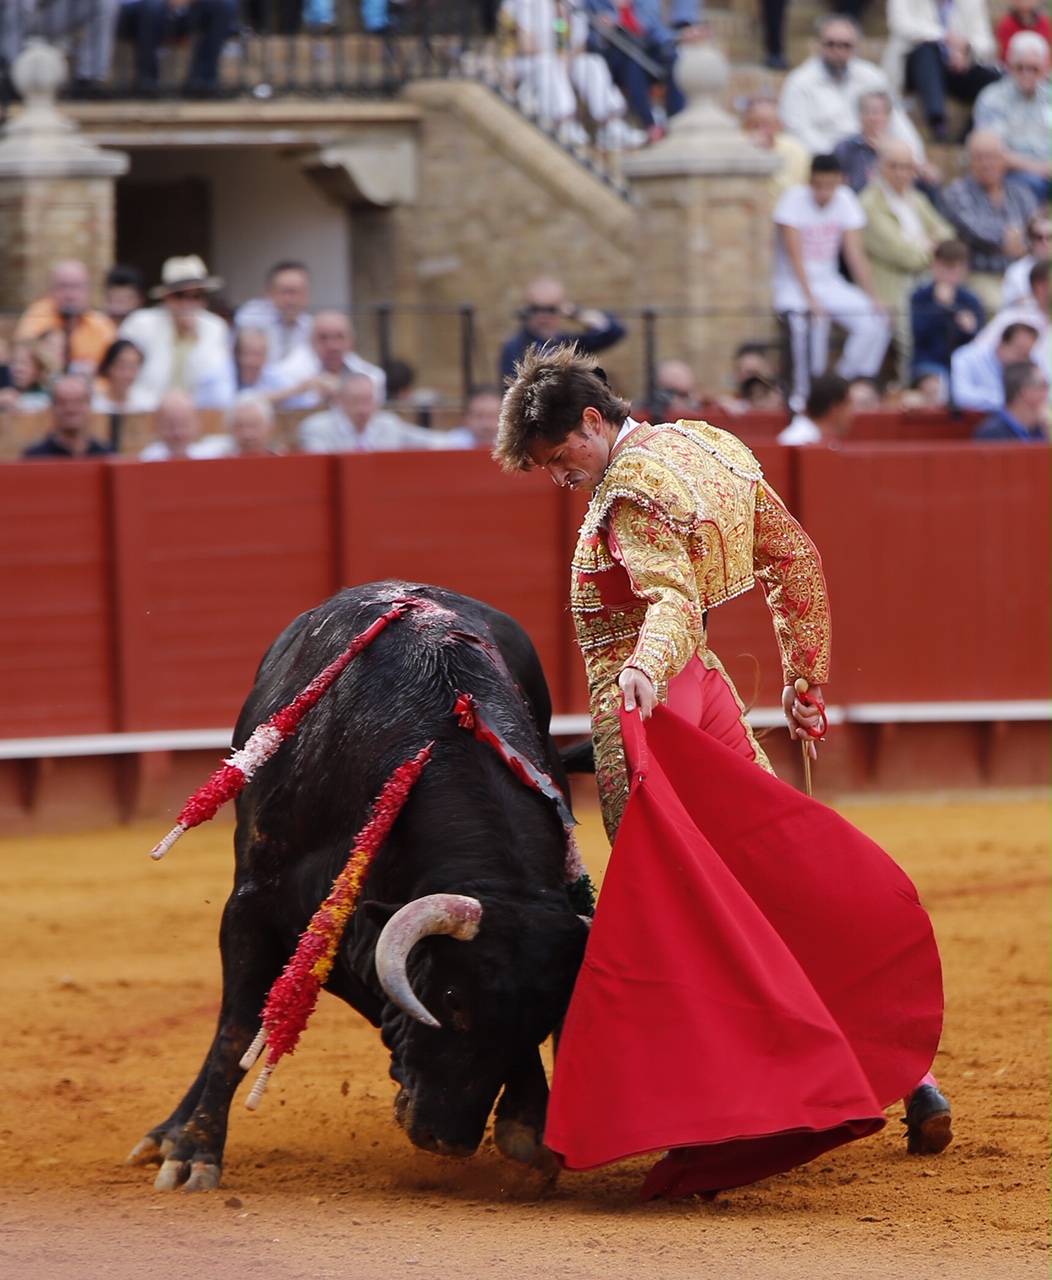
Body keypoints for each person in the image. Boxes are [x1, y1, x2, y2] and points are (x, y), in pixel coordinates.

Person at [494, 344, 953, 1180]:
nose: (564, 477)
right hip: (708, 692)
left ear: (594, 421)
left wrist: (641, 671)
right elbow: (795, 559)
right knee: (767, 883)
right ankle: (911, 1078)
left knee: (666, 917)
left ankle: (709, 1110)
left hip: (651, 707)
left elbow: (667, 601)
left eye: (563, 457)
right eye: (549, 469)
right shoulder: (709, 444)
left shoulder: (628, 493)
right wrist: (804, 679)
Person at [772, 154, 891, 410]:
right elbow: (794, 256)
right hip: (793, 284)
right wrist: (812, 300)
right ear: (809, 181)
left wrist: (875, 297)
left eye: (830, 186)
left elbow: (855, 253)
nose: (824, 193)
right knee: (809, 323)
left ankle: (844, 385)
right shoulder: (793, 199)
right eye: (818, 186)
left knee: (876, 321)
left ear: (840, 181)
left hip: (829, 282)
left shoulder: (846, 200)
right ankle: (803, 393)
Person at [860, 139, 955, 368]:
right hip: (893, 289)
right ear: (880, 167)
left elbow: (948, 234)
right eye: (894, 166)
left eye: (907, 167)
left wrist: (923, 244)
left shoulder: (917, 199)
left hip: (929, 282)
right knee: (912, 339)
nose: (901, 173)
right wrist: (930, 247)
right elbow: (904, 255)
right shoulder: (869, 203)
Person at [503, 0, 645, 150]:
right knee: (548, 64)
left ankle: (610, 124)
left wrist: (567, 57)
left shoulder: (574, 3)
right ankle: (565, 122)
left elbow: (580, 44)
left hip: (564, 60)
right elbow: (525, 45)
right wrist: (557, 57)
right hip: (528, 62)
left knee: (592, 62)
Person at [779, 15, 926, 158]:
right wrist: (839, 158)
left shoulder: (872, 76)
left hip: (875, 158)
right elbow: (798, 133)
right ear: (818, 44)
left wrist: (913, 155)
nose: (838, 50)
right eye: (831, 44)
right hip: (825, 164)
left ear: (856, 46)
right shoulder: (799, 82)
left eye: (845, 45)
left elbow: (897, 120)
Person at [119, 255, 236, 411]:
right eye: (180, 296)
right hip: (145, 410)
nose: (188, 303)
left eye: (196, 296)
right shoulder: (140, 324)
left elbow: (213, 383)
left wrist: (195, 338)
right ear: (166, 298)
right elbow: (125, 377)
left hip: (198, 415)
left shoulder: (215, 327)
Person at [941, 130, 1038, 315]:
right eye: (979, 157)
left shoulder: (1020, 193)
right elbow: (976, 231)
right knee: (1000, 307)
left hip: (1022, 273)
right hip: (981, 274)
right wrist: (1010, 238)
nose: (987, 164)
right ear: (969, 161)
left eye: (992, 157)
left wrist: (1021, 241)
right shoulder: (957, 191)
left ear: (1004, 160)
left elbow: (1037, 230)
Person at [582, 0, 706, 145]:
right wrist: (602, 30)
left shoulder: (648, 2)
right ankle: (650, 126)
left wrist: (678, 37)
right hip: (617, 57)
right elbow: (590, 40)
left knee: (673, 58)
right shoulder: (594, 3)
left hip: (647, 52)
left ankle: (675, 121)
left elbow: (656, 33)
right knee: (633, 60)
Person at [882, 0, 1001, 142]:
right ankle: (937, 122)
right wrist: (943, 37)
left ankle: (972, 131)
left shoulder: (973, 3)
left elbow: (986, 43)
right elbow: (899, 24)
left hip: (956, 67)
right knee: (927, 50)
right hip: (913, 66)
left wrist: (965, 48)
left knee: (999, 80)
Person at [499, 275, 626, 382]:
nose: (543, 317)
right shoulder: (515, 346)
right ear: (526, 309)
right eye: (536, 309)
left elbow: (613, 330)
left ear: (562, 309)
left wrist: (577, 314)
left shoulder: (569, 344)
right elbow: (511, 387)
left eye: (551, 309)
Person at [973, 32, 1052, 204]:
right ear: (1009, 66)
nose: (1027, 73)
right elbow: (993, 152)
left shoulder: (1049, 96)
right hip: (1015, 173)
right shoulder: (993, 98)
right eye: (1020, 67)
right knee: (1029, 185)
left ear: (1045, 69)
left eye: (1033, 68)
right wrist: (1040, 168)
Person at [297, 372, 458, 453]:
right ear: (340, 400)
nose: (363, 410)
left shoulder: (388, 423)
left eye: (368, 401)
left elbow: (431, 440)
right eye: (355, 402)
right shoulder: (316, 428)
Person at [266, 309, 385, 410]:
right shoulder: (288, 371)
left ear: (352, 341)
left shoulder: (372, 375)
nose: (332, 346)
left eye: (340, 337)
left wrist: (342, 390)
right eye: (324, 338)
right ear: (311, 342)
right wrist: (301, 389)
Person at [14, 259, 117, 375]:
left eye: (77, 287)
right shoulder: (38, 315)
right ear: (50, 290)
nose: (70, 295)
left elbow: (114, 368)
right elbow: (25, 359)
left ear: (88, 291)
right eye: (63, 286)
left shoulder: (102, 325)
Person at [116, 0, 238, 96]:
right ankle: (147, 81)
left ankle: (202, 80)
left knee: (223, 4)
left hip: (187, 10)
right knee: (150, 6)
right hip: (141, 10)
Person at [833, 89, 941, 196]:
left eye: (878, 112)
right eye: (868, 111)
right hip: (860, 203)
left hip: (896, 202)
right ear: (860, 115)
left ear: (888, 116)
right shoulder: (846, 148)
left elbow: (921, 173)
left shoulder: (899, 147)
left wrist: (886, 150)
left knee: (930, 185)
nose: (873, 117)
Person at [910, 239, 986, 381]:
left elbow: (980, 339)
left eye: (958, 269)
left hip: (963, 364)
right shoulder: (920, 296)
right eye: (947, 268)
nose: (952, 275)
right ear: (934, 266)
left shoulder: (970, 299)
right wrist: (941, 306)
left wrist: (971, 328)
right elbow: (919, 333)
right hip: (929, 362)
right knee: (933, 385)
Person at [233, 261, 314, 364]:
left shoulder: (311, 327)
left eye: (296, 292)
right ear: (269, 292)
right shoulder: (252, 316)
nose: (291, 299)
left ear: (308, 294)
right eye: (284, 291)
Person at [950, 320, 1039, 409]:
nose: (1023, 359)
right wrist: (1011, 399)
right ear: (1002, 343)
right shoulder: (966, 357)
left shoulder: (1029, 360)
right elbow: (961, 396)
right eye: (1019, 350)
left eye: (1027, 354)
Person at [22, 374, 113, 459]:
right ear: (52, 408)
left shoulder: (106, 456)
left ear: (90, 406)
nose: (71, 409)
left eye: (79, 402)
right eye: (63, 402)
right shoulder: (35, 458)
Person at [741, 96, 811, 201]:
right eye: (754, 125)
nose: (761, 130)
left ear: (778, 126)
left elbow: (798, 191)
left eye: (767, 125)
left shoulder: (796, 150)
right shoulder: (738, 149)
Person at [139, 389, 228, 460]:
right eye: (171, 426)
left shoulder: (208, 459)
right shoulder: (148, 460)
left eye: (184, 425)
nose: (178, 433)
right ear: (158, 426)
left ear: (197, 424)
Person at [973, 358, 1051, 437]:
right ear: (1027, 393)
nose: (1048, 392)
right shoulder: (993, 434)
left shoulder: (1044, 429)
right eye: (1044, 385)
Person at [777, 373, 852, 443]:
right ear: (835, 409)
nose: (852, 414)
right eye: (848, 405)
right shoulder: (796, 440)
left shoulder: (822, 439)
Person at [1002, 208, 1052, 306]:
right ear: (1030, 240)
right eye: (1038, 237)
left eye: (1050, 237)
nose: (1045, 243)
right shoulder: (1016, 271)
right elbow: (1009, 310)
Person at [92, 339, 152, 414]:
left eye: (133, 367)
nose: (127, 374)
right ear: (108, 366)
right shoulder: (94, 405)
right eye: (122, 367)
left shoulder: (146, 405)